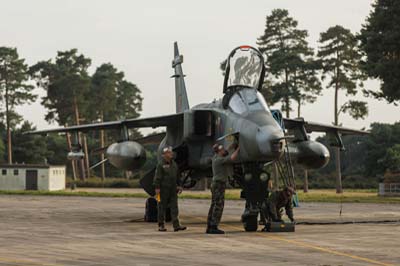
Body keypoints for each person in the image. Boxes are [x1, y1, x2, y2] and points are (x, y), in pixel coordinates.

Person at [206, 143, 240, 234]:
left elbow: (226, 151)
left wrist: (232, 145)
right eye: (222, 150)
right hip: (219, 185)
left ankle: (210, 225)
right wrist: (238, 149)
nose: (224, 151)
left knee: (214, 204)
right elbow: (232, 158)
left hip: (216, 184)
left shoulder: (215, 157)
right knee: (219, 205)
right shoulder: (220, 160)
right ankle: (214, 226)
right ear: (219, 151)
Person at [153, 146, 187, 232]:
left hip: (173, 189)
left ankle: (176, 225)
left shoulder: (174, 164)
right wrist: (157, 188)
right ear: (164, 155)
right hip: (162, 189)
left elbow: (177, 176)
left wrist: (179, 185)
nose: (171, 153)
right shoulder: (160, 165)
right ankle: (161, 225)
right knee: (161, 207)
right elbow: (157, 177)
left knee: (174, 207)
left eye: (171, 152)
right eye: (168, 152)